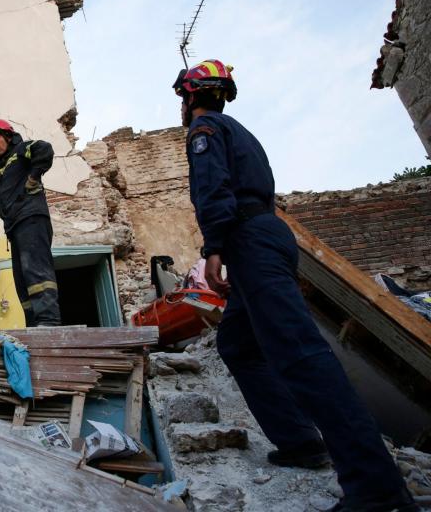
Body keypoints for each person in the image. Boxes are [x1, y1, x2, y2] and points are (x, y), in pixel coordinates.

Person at [175, 59, 415, 512]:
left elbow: (213, 190)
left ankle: (378, 490)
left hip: (248, 241)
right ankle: (300, 441)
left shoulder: (203, 132)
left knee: (302, 356)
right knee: (240, 347)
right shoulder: (242, 131)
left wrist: (214, 250)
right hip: (269, 236)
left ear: (189, 98)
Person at [0, 118, 60, 327]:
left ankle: (48, 322)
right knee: (22, 279)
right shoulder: (4, 166)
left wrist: (33, 178)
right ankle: (34, 325)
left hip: (31, 219)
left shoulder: (21, 149)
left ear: (8, 136)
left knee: (36, 271)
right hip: (15, 227)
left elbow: (45, 149)